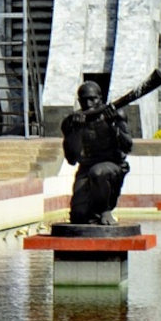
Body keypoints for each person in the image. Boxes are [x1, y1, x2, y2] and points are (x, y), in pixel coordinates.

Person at [60, 81, 133, 225]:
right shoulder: (71, 122)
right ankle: (93, 215)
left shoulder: (116, 114)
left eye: (93, 99)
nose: (88, 104)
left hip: (112, 166)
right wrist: (76, 131)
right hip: (86, 169)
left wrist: (114, 125)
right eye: (84, 100)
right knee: (79, 216)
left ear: (101, 98)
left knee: (98, 172)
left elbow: (127, 146)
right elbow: (71, 159)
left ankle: (105, 210)